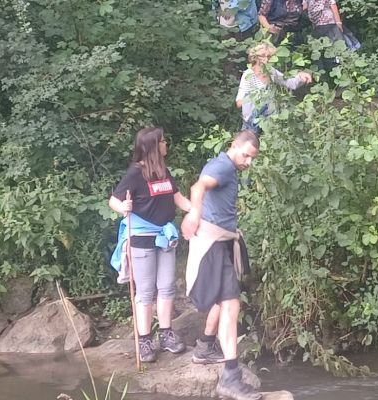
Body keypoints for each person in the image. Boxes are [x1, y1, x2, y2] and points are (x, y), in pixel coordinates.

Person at [183, 131, 263, 400]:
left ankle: (206, 347)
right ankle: (230, 378)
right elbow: (198, 188)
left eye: (252, 159)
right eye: (246, 156)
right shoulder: (223, 166)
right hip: (213, 245)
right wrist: (194, 214)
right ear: (234, 147)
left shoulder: (226, 166)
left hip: (221, 243)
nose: (248, 162)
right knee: (231, 303)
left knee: (225, 301)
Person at [106, 127, 195, 363]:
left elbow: (177, 197)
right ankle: (144, 340)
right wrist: (122, 208)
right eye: (164, 141)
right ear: (155, 146)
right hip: (142, 239)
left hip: (165, 237)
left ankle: (166, 334)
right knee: (145, 291)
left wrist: (195, 211)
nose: (167, 145)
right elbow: (114, 200)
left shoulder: (163, 171)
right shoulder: (136, 173)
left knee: (166, 287)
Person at [236, 43, 312, 135]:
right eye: (263, 56)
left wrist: (301, 75)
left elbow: (289, 83)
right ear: (255, 57)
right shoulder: (248, 75)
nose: (266, 59)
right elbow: (239, 102)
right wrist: (257, 97)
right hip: (252, 120)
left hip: (270, 118)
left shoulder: (271, 71)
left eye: (269, 56)